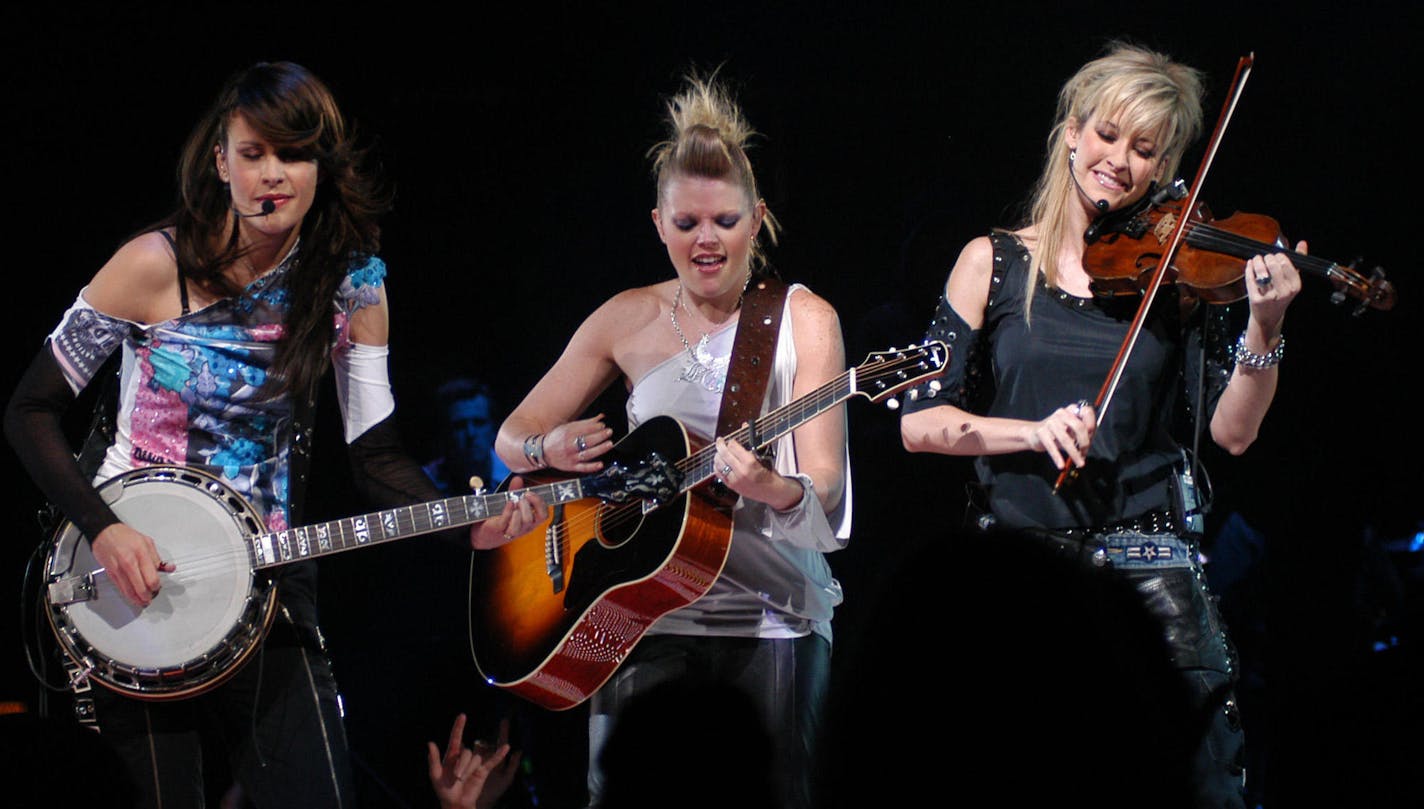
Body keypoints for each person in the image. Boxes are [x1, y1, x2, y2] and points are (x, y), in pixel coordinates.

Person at [3, 61, 536, 807]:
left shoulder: (354, 284)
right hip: (131, 588)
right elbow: (28, 411)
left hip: (268, 585)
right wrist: (103, 529)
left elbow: (375, 456)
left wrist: (465, 529)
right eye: (252, 153)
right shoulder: (153, 266)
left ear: (323, 165)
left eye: (292, 154)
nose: (271, 175)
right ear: (221, 162)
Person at [899, 43, 1301, 808]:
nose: (1120, 161)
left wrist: (1263, 327)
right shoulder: (993, 261)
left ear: (1163, 168)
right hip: (1019, 571)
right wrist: (1030, 430)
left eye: (1145, 150)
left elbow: (1234, 432)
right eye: (1109, 136)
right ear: (1073, 131)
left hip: (1153, 573)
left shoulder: (1181, 276)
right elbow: (921, 423)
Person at [489, 73, 850, 809]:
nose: (706, 240)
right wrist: (545, 449)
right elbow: (510, 436)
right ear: (658, 224)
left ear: (757, 219)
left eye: (723, 221)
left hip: (771, 616)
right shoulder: (625, 318)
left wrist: (768, 487)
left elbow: (826, 490)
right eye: (687, 224)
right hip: (638, 612)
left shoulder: (804, 319)